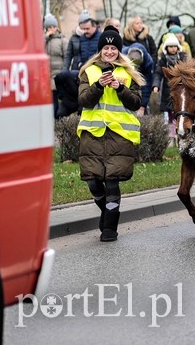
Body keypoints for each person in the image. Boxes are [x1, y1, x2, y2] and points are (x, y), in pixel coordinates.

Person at [77, 26, 144, 242]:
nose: (109, 51)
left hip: (119, 135)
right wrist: (98, 86)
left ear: (118, 50)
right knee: (93, 182)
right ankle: (107, 212)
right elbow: (84, 101)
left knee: (113, 182)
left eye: (113, 48)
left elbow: (135, 103)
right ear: (100, 50)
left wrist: (120, 88)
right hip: (93, 134)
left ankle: (109, 229)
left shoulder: (127, 73)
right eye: (106, 47)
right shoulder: (88, 71)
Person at [153, 34, 188, 143]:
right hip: (167, 92)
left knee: (179, 113)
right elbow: (158, 74)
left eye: (174, 46)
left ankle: (181, 135)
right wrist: (156, 85)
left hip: (181, 91)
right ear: (166, 48)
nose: (173, 49)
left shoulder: (182, 58)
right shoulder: (163, 60)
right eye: (170, 46)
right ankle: (171, 137)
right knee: (169, 116)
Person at [44, 14, 66, 117]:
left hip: (58, 74)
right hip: (47, 75)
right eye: (49, 27)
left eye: (54, 26)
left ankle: (58, 119)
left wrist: (64, 71)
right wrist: (45, 38)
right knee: (51, 99)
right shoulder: (44, 40)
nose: (52, 29)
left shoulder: (62, 40)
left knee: (59, 97)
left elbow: (67, 57)